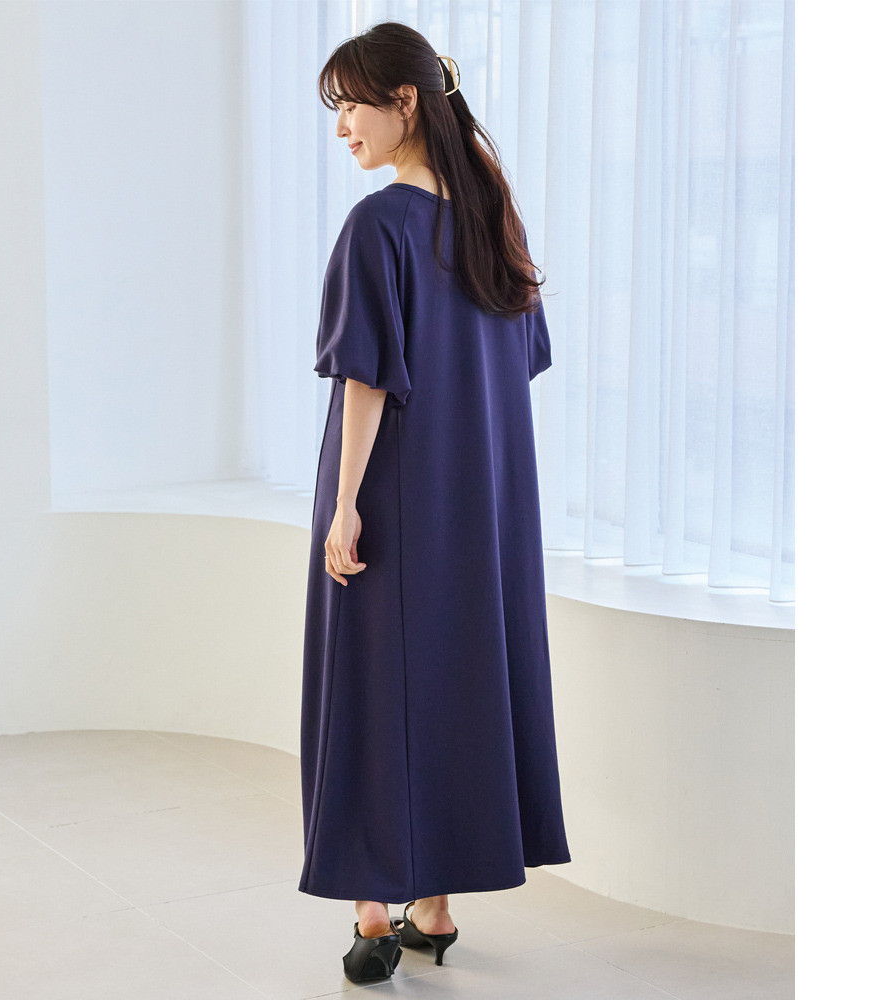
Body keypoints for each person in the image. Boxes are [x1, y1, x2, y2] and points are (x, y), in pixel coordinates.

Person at [299, 21, 571, 983]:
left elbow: (365, 379)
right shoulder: (495, 219)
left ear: (404, 101)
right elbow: (520, 361)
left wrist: (345, 504)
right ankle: (438, 906)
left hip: (396, 490)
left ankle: (374, 914)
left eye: (350, 107)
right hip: (483, 502)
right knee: (456, 683)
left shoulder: (380, 225)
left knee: (368, 692)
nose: (343, 129)